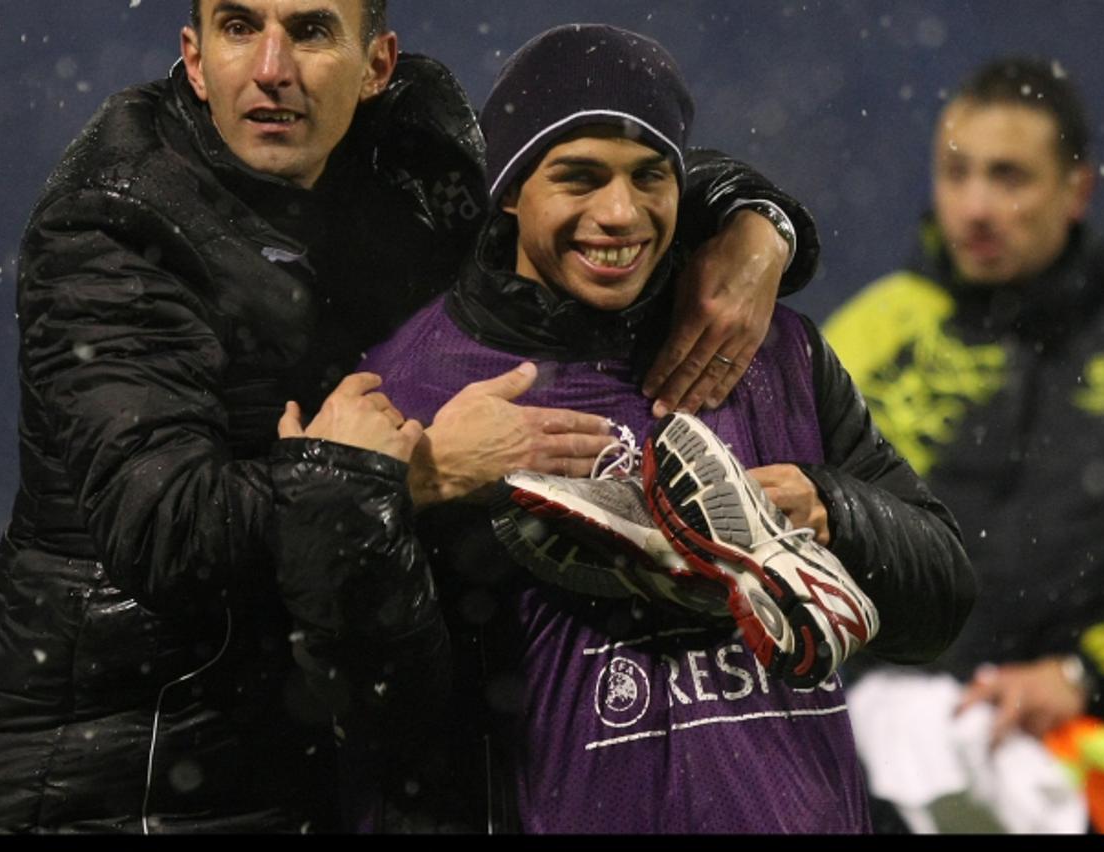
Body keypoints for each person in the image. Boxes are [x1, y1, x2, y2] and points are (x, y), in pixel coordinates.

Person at [0, 0, 826, 835]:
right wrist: (409, 472)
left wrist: (752, 222)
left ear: (378, 65)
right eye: (239, 27)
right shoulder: (112, 227)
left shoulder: (413, 151)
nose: (270, 69)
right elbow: (166, 532)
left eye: (312, 31)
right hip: (124, 759)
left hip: (313, 743)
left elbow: (573, 173)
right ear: (194, 58)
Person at [357, 23, 974, 833]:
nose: (619, 214)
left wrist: (834, 514)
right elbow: (367, 691)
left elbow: (943, 601)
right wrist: (419, 489)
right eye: (578, 178)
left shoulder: (769, 348)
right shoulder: (411, 382)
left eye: (650, 177)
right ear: (509, 190)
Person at [824, 56, 1104, 833]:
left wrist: (1084, 673)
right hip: (876, 761)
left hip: (1093, 754)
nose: (975, 207)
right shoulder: (869, 334)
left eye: (1009, 177)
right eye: (955, 173)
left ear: (1077, 190)